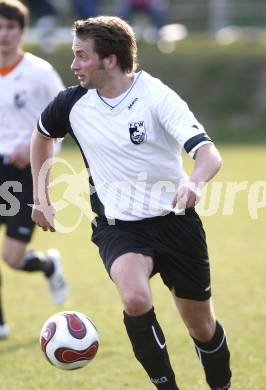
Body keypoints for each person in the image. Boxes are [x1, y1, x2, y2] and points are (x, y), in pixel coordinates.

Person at [31, 16, 232, 390]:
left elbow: (208, 154)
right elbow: (41, 136)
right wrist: (41, 197)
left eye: (81, 56)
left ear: (110, 59)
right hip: (119, 227)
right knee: (136, 299)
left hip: (176, 223)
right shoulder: (72, 104)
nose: (73, 65)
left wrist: (194, 182)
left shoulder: (156, 96)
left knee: (201, 327)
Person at [0, 0, 68, 339]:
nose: (3, 34)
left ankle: (47, 264)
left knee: (12, 257)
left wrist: (35, 152)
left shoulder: (40, 73)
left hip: (22, 174)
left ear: (22, 31)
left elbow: (64, 122)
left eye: (10, 27)